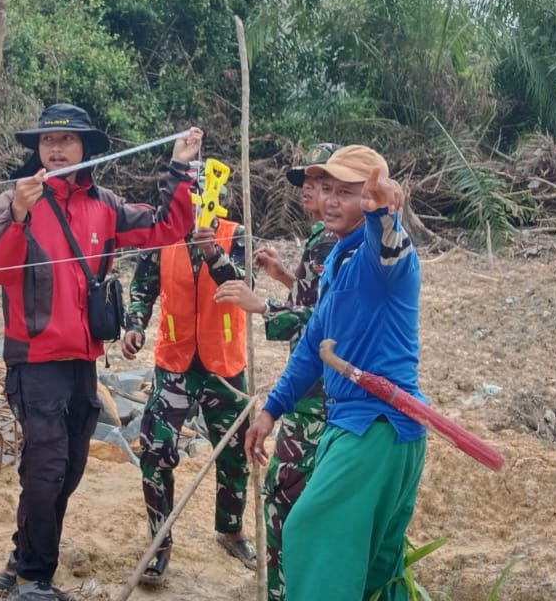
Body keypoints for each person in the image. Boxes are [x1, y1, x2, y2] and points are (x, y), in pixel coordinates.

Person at [0, 104, 203, 601]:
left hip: (83, 362)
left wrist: (180, 166)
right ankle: (35, 578)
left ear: (86, 148)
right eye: (48, 140)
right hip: (34, 362)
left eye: (67, 140)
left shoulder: (105, 205)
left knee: (70, 468)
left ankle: (21, 560)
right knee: (45, 469)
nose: (56, 148)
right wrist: (18, 217)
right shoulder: (16, 199)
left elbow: (167, 227)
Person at [243, 145, 421, 601]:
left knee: (308, 532)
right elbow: (312, 344)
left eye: (347, 192)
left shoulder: (379, 257)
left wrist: (383, 213)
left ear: (370, 197)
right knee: (376, 568)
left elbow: (391, 247)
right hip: (365, 427)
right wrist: (271, 410)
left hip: (375, 426)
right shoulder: (340, 262)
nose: (331, 201)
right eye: (327, 189)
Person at [215, 142, 340, 600]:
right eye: (307, 181)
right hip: (311, 388)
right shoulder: (323, 237)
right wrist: (286, 277)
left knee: (284, 495)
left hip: (317, 394)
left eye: (323, 182)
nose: (310, 189)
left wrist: (262, 305)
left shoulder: (334, 240)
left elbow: (327, 322)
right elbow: (317, 298)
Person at [121, 198, 256, 586]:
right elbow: (142, 288)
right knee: (156, 449)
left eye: (202, 194)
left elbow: (244, 286)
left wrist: (213, 252)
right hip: (175, 363)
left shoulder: (235, 235)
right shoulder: (161, 237)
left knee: (235, 451)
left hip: (224, 364)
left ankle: (231, 529)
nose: (195, 203)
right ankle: (159, 542)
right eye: (187, 196)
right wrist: (135, 325)